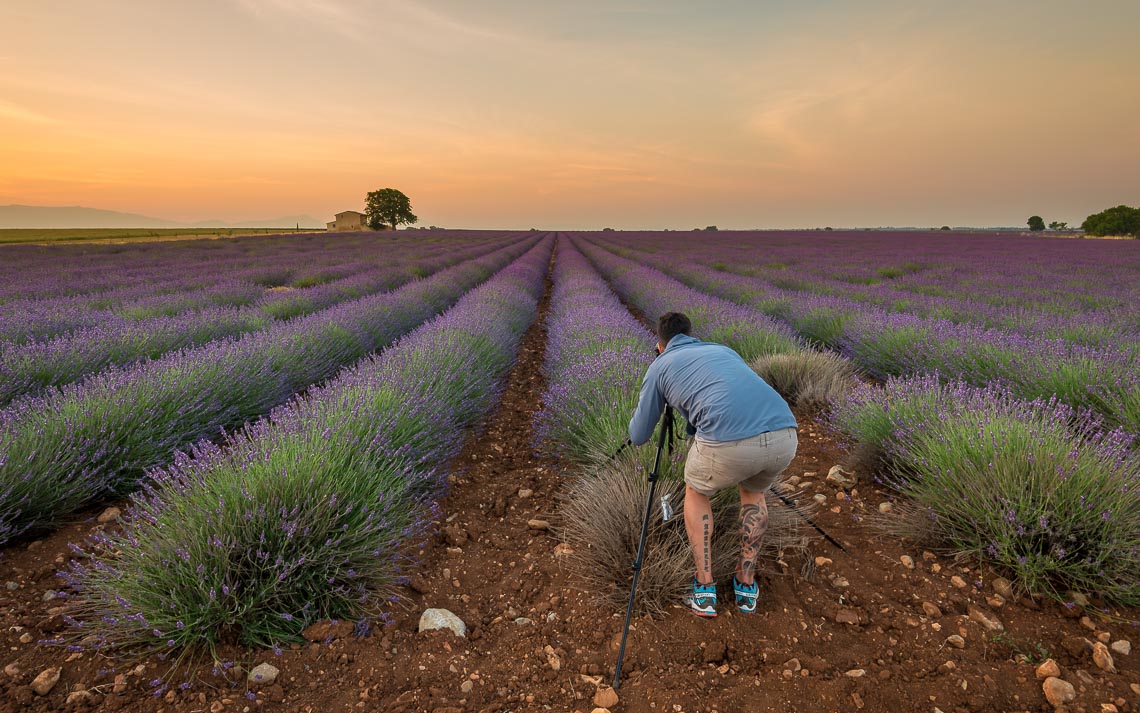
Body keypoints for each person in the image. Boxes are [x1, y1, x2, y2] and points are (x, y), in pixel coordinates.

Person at [628, 312, 798, 616]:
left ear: (660, 344)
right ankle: (746, 586)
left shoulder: (661, 364)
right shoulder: (722, 350)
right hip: (785, 434)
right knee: (754, 493)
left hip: (728, 443)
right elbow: (727, 394)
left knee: (695, 491)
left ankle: (704, 588)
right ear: (691, 335)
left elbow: (639, 435)